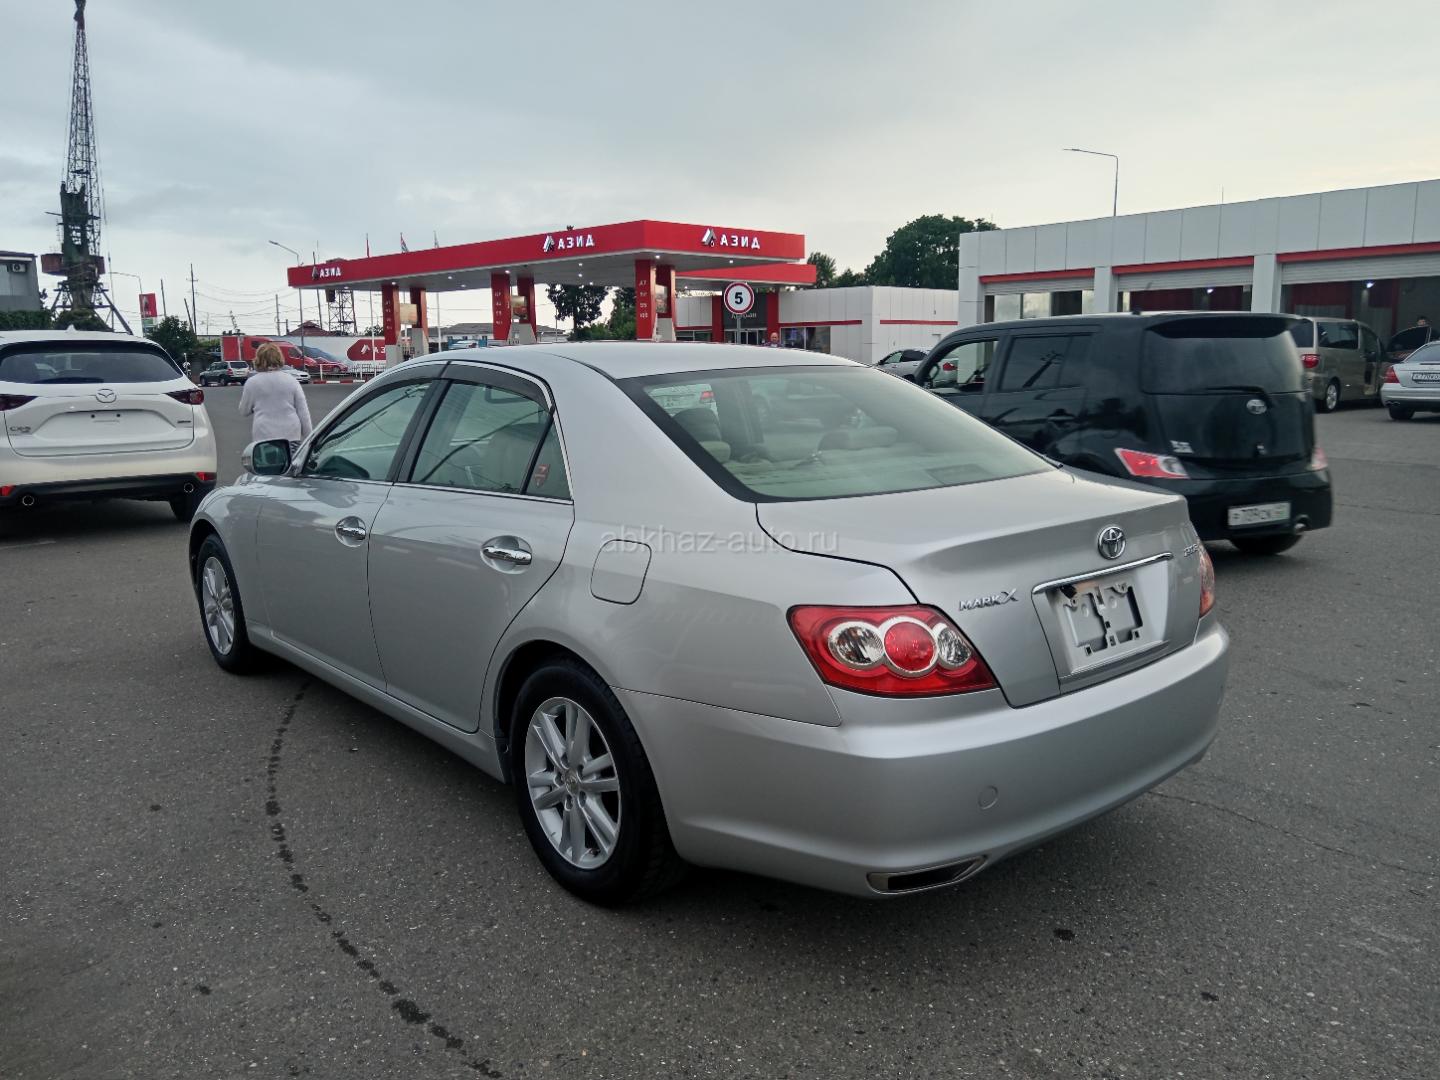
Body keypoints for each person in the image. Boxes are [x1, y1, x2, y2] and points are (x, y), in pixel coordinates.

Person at [239, 343, 312, 453]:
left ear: (258, 359)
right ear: (279, 358)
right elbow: (303, 413)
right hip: (291, 436)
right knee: (291, 463)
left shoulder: (252, 383)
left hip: (263, 437)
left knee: (268, 464)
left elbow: (244, 411)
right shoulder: (291, 381)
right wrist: (309, 439)